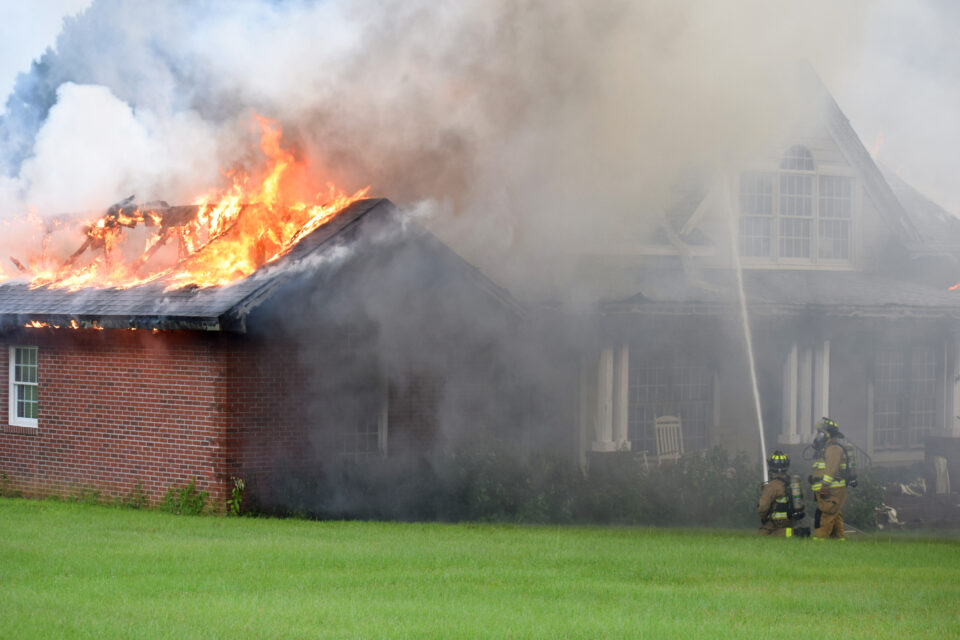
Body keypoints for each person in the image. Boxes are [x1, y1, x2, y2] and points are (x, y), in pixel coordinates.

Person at [810, 417, 850, 539]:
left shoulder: (833, 449)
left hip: (832, 490)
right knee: (834, 515)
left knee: (825, 516)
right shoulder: (827, 448)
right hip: (830, 490)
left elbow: (831, 469)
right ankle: (838, 540)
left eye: (820, 433)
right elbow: (823, 469)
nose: (818, 436)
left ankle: (819, 543)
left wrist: (824, 485)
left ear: (827, 435)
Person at [757, 450, 798, 536]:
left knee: (762, 536)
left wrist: (763, 518)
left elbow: (763, 507)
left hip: (777, 522)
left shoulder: (772, 486)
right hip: (791, 520)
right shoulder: (791, 482)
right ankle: (791, 531)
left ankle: (795, 533)